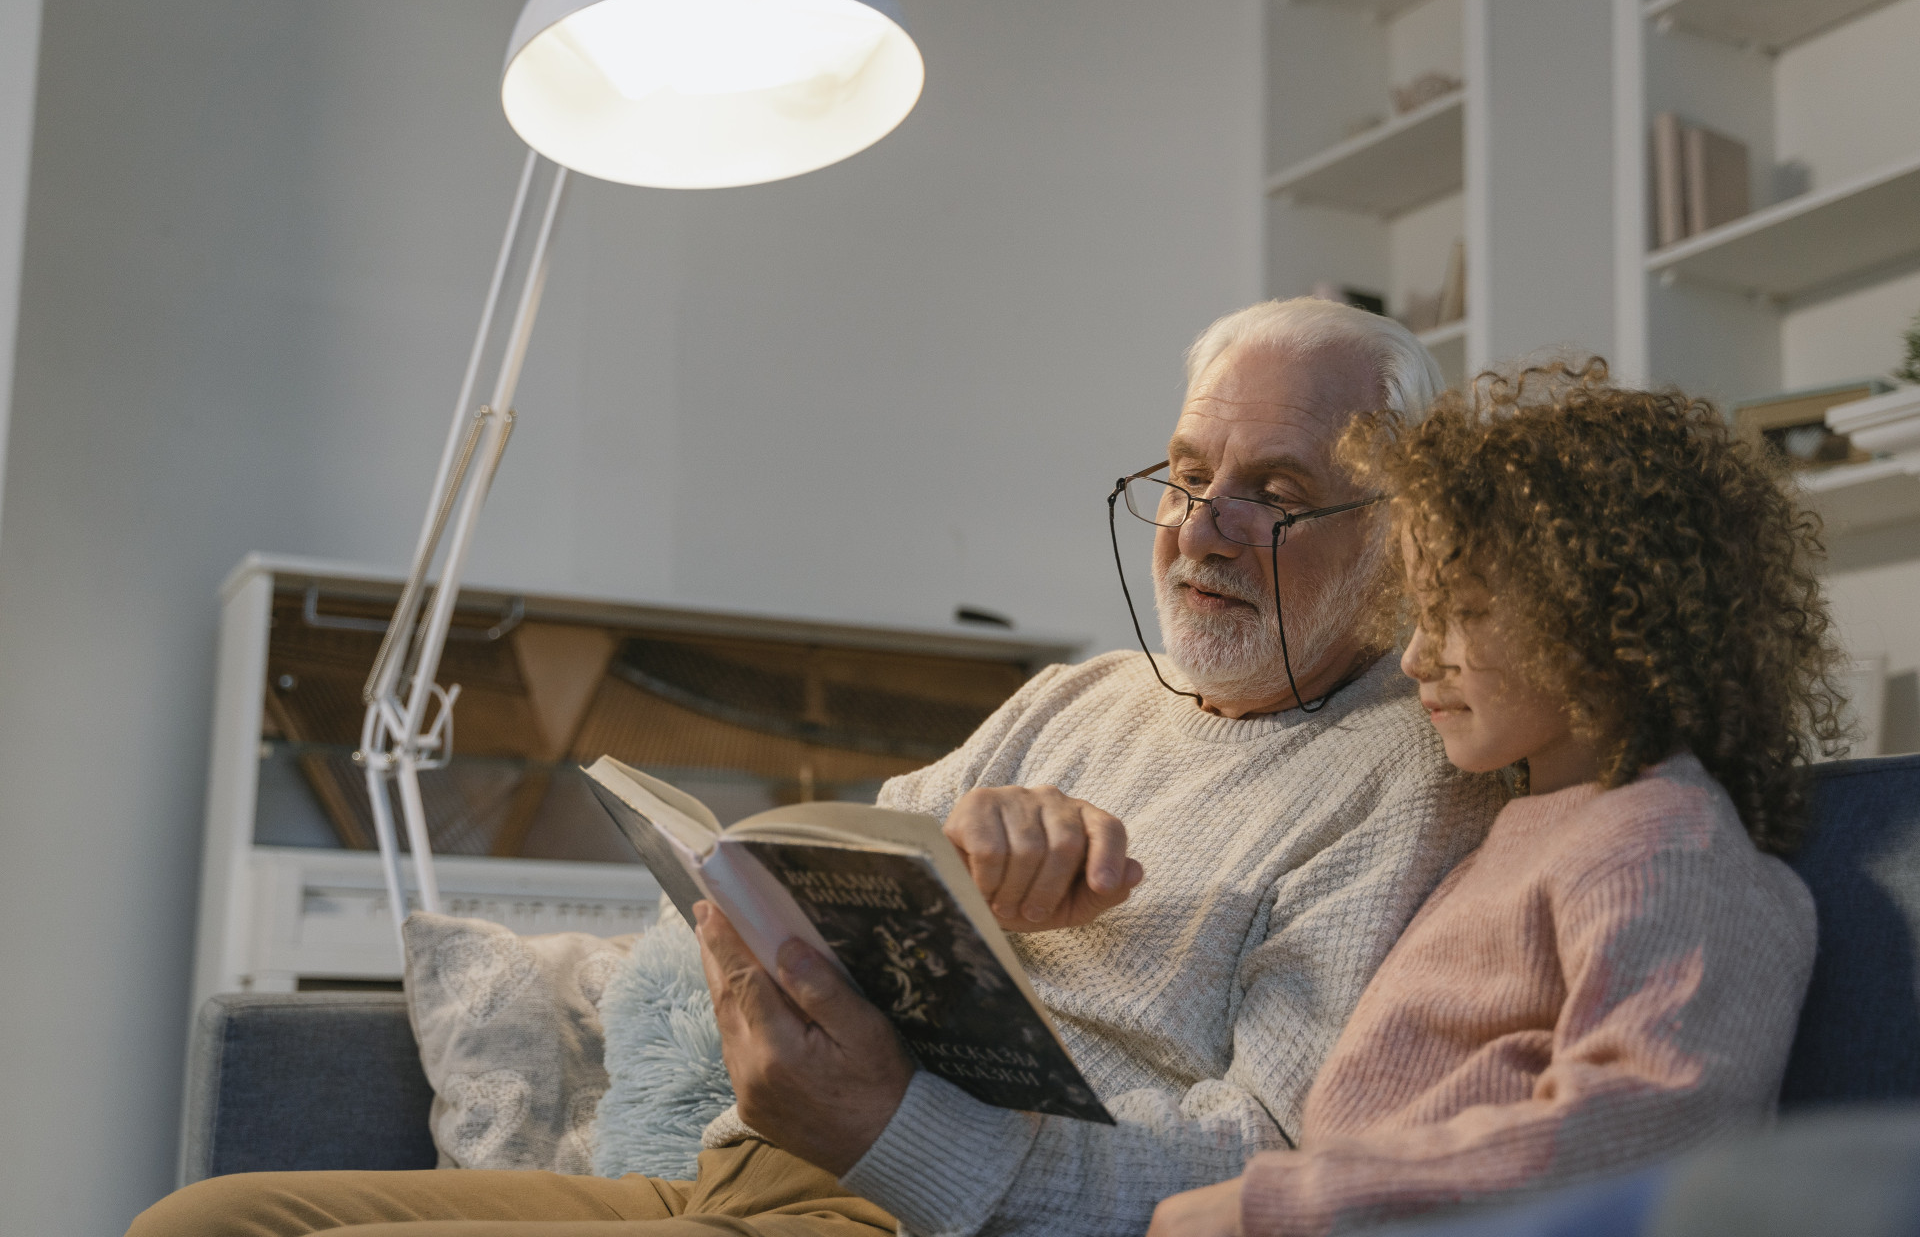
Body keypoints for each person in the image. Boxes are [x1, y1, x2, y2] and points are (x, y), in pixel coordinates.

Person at [129, 298, 1505, 1237]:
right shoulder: (1082, 696)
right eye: (1187, 473)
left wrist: (896, 1125)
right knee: (207, 1221)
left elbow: (1258, 1167)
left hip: (900, 1213)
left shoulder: (1413, 779)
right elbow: (826, 858)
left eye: (1275, 491)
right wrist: (952, 857)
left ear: (1400, 529)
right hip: (739, 1179)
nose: (1202, 529)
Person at [1147, 360, 1845, 1237]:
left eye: (1460, 614)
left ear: (1601, 622)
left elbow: (1651, 1124)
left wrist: (1283, 1203)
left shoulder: (1663, 839)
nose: (1414, 659)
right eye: (1419, 614)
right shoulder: (1523, 826)